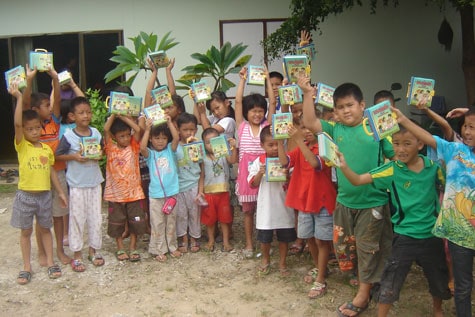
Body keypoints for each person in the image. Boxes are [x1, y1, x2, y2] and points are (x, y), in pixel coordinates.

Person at [300, 77, 395, 317]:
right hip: (344, 201)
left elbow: (396, 156)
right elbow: (310, 121)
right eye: (340, 107)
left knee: (367, 248)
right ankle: (369, 279)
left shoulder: (375, 126)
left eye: (350, 105)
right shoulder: (335, 128)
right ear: (335, 111)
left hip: (372, 201)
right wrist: (307, 93)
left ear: (362, 105)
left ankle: (363, 295)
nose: (345, 111)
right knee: (345, 248)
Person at [338, 126, 452, 317]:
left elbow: (450, 186)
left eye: (407, 144)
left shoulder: (434, 168)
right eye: (396, 144)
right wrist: (343, 166)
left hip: (431, 235)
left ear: (420, 144)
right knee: (391, 279)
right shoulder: (391, 169)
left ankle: (438, 310)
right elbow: (358, 180)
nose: (400, 149)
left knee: (438, 277)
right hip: (404, 236)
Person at [393, 107, 475, 317]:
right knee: (463, 286)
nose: (467, 132)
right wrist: (402, 118)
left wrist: (469, 110)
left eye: (473, 127)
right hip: (459, 233)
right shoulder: (455, 150)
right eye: (466, 126)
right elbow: (427, 138)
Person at [9, 83, 67, 285]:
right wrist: (18, 98)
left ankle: (51, 262)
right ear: (23, 131)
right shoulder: (21, 146)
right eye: (30, 129)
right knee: (26, 231)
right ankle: (26, 267)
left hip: (44, 195)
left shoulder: (45, 149)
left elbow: (51, 171)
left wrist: (60, 192)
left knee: (45, 229)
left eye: (37, 128)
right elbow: (17, 124)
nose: (34, 132)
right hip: (26, 195)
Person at [278, 123, 336, 298]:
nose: (307, 131)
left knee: (321, 240)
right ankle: (319, 267)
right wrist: (280, 141)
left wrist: (298, 140)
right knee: (309, 237)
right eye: (304, 127)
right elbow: (284, 162)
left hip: (322, 200)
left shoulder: (324, 148)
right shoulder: (304, 147)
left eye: (311, 128)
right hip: (305, 200)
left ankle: (320, 279)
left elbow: (314, 163)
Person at [23, 65, 71, 265]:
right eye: (45, 105)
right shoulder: (31, 124)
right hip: (39, 177)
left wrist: (54, 79)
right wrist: (29, 79)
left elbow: (57, 100)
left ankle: (59, 250)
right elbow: (25, 102)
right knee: (40, 217)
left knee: (59, 215)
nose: (49, 107)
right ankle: (42, 251)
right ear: (35, 110)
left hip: (57, 172)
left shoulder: (54, 120)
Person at [56, 97, 105, 272]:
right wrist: (74, 157)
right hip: (76, 184)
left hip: (94, 182)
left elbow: (101, 151)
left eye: (88, 112)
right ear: (72, 116)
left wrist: (98, 155)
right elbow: (57, 155)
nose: (86, 115)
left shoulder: (96, 133)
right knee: (77, 219)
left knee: (95, 218)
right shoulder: (69, 136)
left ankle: (93, 250)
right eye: (81, 113)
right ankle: (77, 254)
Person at [234, 66, 276, 258]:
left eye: (260, 111)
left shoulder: (267, 126)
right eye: (253, 111)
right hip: (246, 177)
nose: (257, 114)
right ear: (247, 112)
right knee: (248, 212)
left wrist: (267, 78)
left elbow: (273, 102)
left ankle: (265, 244)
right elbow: (237, 102)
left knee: (266, 211)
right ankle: (250, 244)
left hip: (265, 174)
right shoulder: (241, 127)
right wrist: (242, 79)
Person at [248, 125, 296, 276]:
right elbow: (252, 183)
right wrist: (260, 174)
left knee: (284, 236)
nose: (275, 148)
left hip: (283, 205)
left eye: (277, 144)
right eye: (270, 145)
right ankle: (265, 260)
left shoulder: (287, 161)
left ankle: (282, 263)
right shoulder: (258, 162)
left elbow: (293, 182)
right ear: (262, 145)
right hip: (266, 206)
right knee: (265, 237)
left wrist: (288, 176)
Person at [103, 114, 146, 262]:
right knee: (117, 222)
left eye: (128, 135)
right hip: (115, 194)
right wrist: (114, 115)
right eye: (122, 136)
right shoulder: (110, 147)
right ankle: (120, 247)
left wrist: (125, 117)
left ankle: (133, 247)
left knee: (136, 222)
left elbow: (138, 129)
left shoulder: (134, 147)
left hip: (134, 193)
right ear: (114, 137)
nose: (126, 138)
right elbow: (106, 128)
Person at [140, 116, 181, 262]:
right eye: (156, 138)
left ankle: (172, 246)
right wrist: (147, 129)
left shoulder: (170, 150)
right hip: (156, 195)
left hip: (172, 194)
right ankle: (159, 249)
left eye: (163, 138)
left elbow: (176, 138)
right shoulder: (150, 155)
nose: (160, 141)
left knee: (171, 221)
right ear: (151, 139)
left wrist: (170, 122)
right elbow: (142, 148)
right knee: (157, 223)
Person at [198, 127, 238, 252]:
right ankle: (211, 240)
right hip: (208, 193)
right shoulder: (203, 158)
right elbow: (202, 176)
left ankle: (226, 242)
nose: (211, 145)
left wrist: (233, 147)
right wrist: (200, 191)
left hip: (223, 193)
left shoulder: (224, 153)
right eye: (208, 142)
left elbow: (232, 160)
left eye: (215, 141)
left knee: (224, 219)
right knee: (210, 220)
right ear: (204, 144)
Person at [175, 112, 202, 253]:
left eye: (191, 129)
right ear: (178, 130)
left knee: (194, 213)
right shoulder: (174, 147)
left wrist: (201, 189)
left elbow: (202, 168)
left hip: (194, 185)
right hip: (179, 186)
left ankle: (194, 238)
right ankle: (183, 238)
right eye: (185, 129)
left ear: (196, 130)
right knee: (181, 214)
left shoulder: (198, 146)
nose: (188, 133)